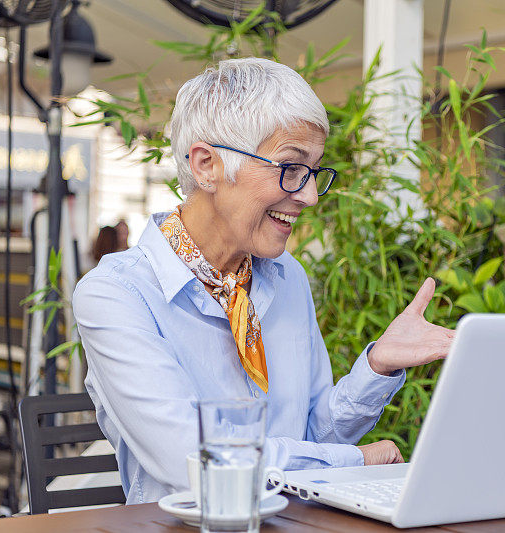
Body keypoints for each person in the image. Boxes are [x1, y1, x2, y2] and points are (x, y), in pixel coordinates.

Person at [72, 57, 454, 504]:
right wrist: (354, 462)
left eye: (313, 173)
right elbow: (196, 464)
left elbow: (312, 432)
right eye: (291, 169)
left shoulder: (286, 275)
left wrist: (378, 367)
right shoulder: (117, 294)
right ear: (206, 165)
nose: (309, 196)